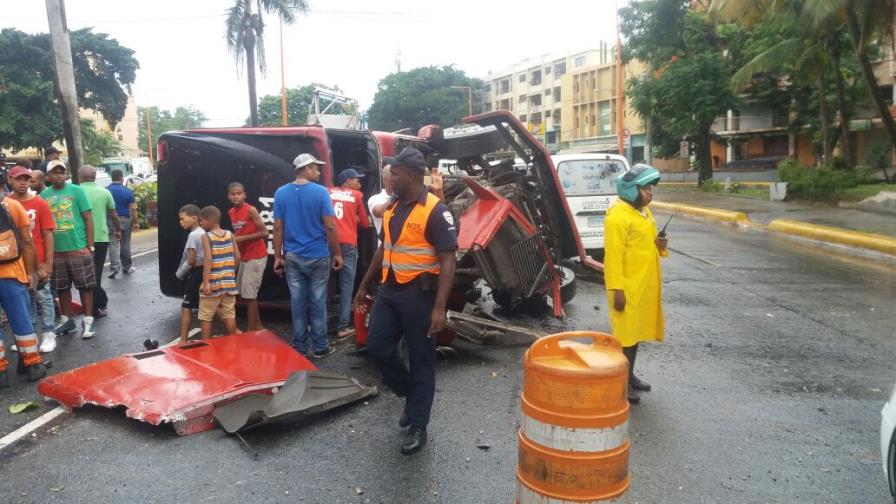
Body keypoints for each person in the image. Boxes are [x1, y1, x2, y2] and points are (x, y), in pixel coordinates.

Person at [353, 147, 457, 455]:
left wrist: (439, 307)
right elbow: (382, 248)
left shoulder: (437, 212)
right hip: (389, 290)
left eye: (394, 175)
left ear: (409, 176)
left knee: (422, 360)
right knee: (377, 347)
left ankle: (418, 425)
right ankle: (411, 394)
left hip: (420, 297)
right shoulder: (393, 207)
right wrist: (364, 285)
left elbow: (448, 262)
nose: (389, 180)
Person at [603, 164, 667, 404]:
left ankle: (629, 376)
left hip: (644, 285)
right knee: (625, 338)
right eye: (645, 188)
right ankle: (621, 383)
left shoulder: (644, 213)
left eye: (651, 188)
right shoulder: (618, 218)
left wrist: (660, 243)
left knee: (636, 334)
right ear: (630, 189)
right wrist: (616, 290)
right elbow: (613, 257)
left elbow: (648, 244)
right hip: (626, 287)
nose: (650, 192)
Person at [272, 153, 343, 358]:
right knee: (318, 302)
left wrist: (278, 256)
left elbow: (278, 228)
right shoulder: (320, 192)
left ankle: (300, 347)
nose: (319, 172)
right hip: (318, 255)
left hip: (293, 256)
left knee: (297, 302)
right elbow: (330, 225)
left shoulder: (281, 193)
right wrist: (337, 253)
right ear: (307, 169)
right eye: (316, 168)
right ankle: (320, 347)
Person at [41, 160, 96, 339]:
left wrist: (90, 244)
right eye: (54, 172)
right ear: (48, 176)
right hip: (55, 251)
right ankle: (67, 321)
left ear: (66, 174)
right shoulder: (44, 195)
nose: (59, 175)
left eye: (61, 172)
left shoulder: (77, 191)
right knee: (61, 288)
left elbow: (88, 218)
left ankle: (88, 321)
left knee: (85, 286)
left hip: (78, 248)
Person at [0, 186, 47, 386]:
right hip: (12, 274)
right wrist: (30, 272)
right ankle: (32, 365)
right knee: (22, 321)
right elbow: (27, 242)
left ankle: (1, 372)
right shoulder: (13, 205)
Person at [7, 166, 57, 353]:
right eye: (19, 179)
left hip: (39, 260)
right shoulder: (5, 204)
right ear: (10, 179)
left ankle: (49, 333)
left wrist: (48, 263)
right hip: (14, 262)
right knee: (24, 300)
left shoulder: (40, 203)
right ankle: (29, 336)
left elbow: (48, 234)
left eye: (26, 179)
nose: (23, 182)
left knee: (43, 297)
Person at [328, 168, 371, 340]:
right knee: (347, 285)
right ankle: (342, 327)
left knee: (324, 284)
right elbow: (366, 224)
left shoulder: (327, 192)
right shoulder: (356, 196)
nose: (360, 184)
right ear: (347, 181)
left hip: (328, 242)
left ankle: (316, 324)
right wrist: (351, 217)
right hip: (347, 244)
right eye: (357, 180)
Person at [78, 165, 120, 318]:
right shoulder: (104, 192)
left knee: (84, 276)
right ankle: (98, 304)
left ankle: (95, 305)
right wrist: (117, 229)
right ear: (95, 177)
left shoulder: (75, 192)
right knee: (95, 274)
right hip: (100, 239)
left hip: (79, 240)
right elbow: (114, 215)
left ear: (80, 176)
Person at [227, 182, 268, 331]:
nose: (236, 196)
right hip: (245, 256)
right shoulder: (231, 212)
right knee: (245, 294)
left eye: (239, 193)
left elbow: (264, 233)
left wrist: (238, 239)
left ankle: (251, 331)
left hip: (256, 255)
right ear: (229, 196)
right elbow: (239, 233)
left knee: (250, 295)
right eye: (233, 194)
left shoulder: (251, 210)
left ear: (244, 195)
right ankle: (259, 327)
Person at [198, 206, 239, 339]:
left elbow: (208, 258)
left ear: (209, 220)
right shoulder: (229, 234)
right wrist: (230, 271)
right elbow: (237, 256)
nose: (200, 223)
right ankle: (233, 340)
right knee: (229, 314)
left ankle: (206, 344)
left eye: (202, 220)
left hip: (213, 281)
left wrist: (206, 282)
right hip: (229, 282)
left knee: (206, 315)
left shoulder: (206, 237)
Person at [175, 204, 204, 343]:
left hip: (195, 274)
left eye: (183, 219)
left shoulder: (193, 235)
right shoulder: (203, 233)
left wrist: (180, 273)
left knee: (186, 306)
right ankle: (235, 330)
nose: (181, 222)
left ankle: (183, 340)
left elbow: (191, 260)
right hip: (203, 272)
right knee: (208, 305)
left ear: (194, 218)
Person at [106, 169, 139, 278]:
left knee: (112, 243)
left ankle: (114, 267)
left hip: (111, 220)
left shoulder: (106, 191)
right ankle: (127, 267)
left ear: (112, 177)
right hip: (126, 219)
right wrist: (135, 223)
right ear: (121, 178)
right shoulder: (128, 191)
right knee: (125, 243)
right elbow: (133, 209)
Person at [367, 164, 392, 238]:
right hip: (385, 247)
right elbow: (380, 212)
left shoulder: (407, 197)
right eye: (392, 178)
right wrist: (398, 194)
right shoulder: (375, 199)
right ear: (384, 180)